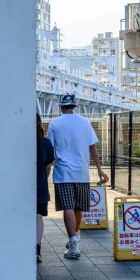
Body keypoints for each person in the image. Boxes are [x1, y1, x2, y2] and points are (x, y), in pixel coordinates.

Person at [47, 94, 108, 260]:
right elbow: (93, 148)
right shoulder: (85, 122)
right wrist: (100, 170)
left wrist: (46, 170)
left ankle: (73, 242)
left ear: (60, 106)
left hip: (63, 172)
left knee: (67, 206)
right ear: (75, 106)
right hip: (82, 173)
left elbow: (50, 149)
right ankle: (74, 238)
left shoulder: (54, 124)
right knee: (78, 207)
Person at [36, 112, 55, 264]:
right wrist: (43, 179)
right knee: (37, 217)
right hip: (40, 186)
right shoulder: (46, 143)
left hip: (18, 189)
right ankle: (36, 248)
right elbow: (48, 166)